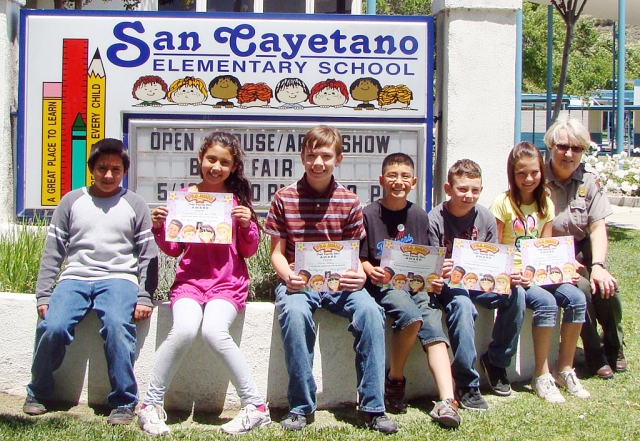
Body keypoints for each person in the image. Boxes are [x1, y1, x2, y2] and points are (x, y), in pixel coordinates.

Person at [264, 125, 397, 434]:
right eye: (311, 155)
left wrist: (357, 277)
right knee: (295, 315)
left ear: (338, 158)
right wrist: (287, 276)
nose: (318, 163)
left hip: (341, 284)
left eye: (325, 156)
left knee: (371, 313)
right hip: (299, 280)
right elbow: (276, 254)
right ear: (302, 157)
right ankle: (300, 406)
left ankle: (373, 406)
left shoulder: (350, 202)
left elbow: (356, 256)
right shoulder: (284, 198)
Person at [137, 132, 270, 436]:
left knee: (213, 330)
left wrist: (248, 224)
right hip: (190, 283)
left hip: (228, 284)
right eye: (211, 159)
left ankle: (255, 406)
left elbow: (248, 251)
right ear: (200, 159)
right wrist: (160, 227)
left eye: (225, 162)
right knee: (183, 329)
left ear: (234, 167)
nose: (216, 167)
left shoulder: (238, 203)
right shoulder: (184, 197)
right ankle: (150, 405)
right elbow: (173, 250)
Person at [23, 138, 158, 425]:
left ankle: (123, 402)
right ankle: (38, 391)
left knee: (117, 328)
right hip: (75, 278)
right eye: (102, 168)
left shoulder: (135, 204)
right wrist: (44, 294)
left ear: (124, 171)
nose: (108, 175)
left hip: (120, 279)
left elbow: (148, 254)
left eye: (116, 169)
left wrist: (145, 296)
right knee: (53, 326)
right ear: (91, 169)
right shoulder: (72, 201)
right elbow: (53, 251)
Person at [360, 152, 460, 428]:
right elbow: (359, 257)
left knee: (433, 326)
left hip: (417, 286)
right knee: (410, 316)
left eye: (405, 176)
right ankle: (395, 379)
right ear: (381, 179)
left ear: (414, 181)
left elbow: (428, 259)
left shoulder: (418, 216)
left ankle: (448, 401)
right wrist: (371, 271)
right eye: (392, 175)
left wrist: (435, 278)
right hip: (384, 285)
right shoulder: (369, 214)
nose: (398, 181)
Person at [490, 141, 589, 404]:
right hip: (517, 277)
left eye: (534, 172)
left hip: (540, 274)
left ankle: (565, 368)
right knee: (546, 303)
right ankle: (541, 374)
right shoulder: (502, 203)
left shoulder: (546, 202)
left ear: (541, 172)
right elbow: (497, 249)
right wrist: (510, 273)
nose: (529, 178)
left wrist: (563, 265)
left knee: (577, 297)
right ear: (512, 174)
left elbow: (544, 246)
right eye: (521, 173)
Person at [427, 159, 526, 411]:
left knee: (516, 293)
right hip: (450, 286)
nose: (469, 195)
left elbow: (495, 259)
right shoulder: (435, 218)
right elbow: (430, 269)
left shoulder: (485, 217)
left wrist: (507, 275)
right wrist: (441, 268)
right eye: (462, 189)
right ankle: (466, 382)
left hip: (481, 283)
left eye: (475, 190)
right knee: (461, 304)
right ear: (448, 189)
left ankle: (497, 360)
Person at [544, 114, 626, 379]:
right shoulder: (537, 177)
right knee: (581, 288)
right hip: (552, 252)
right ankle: (594, 353)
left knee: (606, 289)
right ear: (551, 146)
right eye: (563, 147)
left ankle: (614, 344)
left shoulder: (590, 180)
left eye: (576, 148)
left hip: (584, 249)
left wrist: (599, 266)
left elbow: (597, 227)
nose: (569, 153)